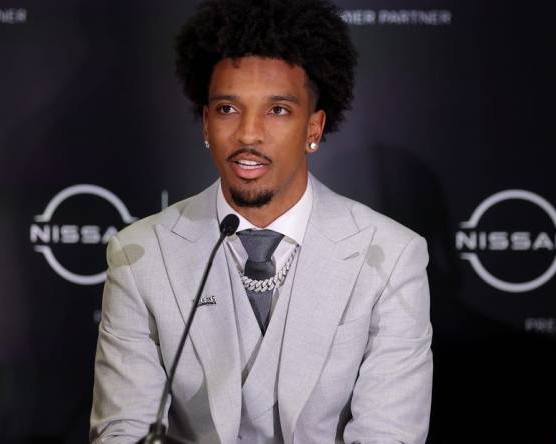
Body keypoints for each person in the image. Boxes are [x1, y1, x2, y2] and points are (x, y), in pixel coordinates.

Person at [90, 1, 433, 442]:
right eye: (228, 109)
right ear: (206, 123)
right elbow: (123, 432)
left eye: (278, 110)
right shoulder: (140, 256)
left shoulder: (390, 256)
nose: (249, 134)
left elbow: (390, 435)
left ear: (314, 127)